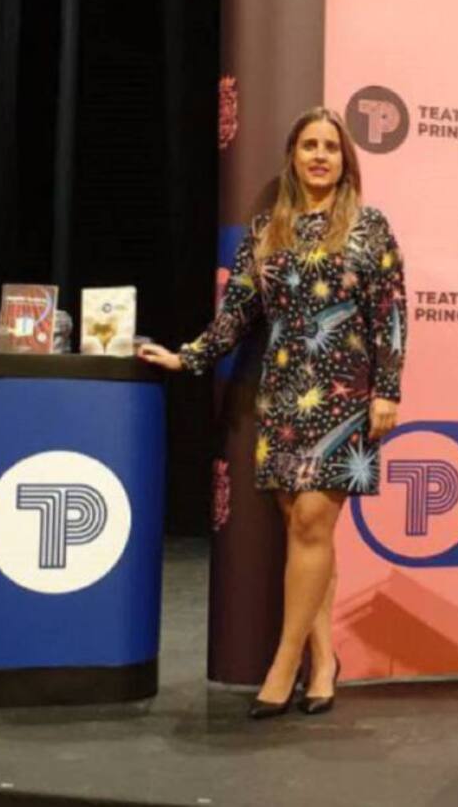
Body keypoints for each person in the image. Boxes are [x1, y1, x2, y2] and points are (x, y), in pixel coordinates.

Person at [137, 106, 407, 719]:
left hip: (345, 395)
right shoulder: (266, 230)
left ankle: (283, 665)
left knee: (312, 522)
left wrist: (387, 390)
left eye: (330, 147)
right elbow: (237, 312)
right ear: (293, 156)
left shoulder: (370, 228)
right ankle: (325, 661)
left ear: (345, 161)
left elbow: (391, 313)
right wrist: (188, 356)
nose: (320, 156)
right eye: (309, 145)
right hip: (283, 393)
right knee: (307, 534)